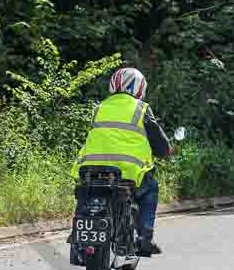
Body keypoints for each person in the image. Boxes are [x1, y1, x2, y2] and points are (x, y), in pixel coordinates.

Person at [71, 67, 172, 256]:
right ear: (140, 88)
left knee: (85, 191)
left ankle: (76, 232)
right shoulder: (141, 108)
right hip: (126, 172)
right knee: (151, 188)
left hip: (91, 169)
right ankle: (144, 237)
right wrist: (165, 151)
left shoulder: (98, 108)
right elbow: (159, 141)